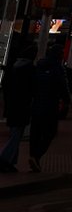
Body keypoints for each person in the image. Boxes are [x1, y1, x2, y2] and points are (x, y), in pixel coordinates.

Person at [27, 44, 71, 173]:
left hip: (37, 104)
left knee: (35, 133)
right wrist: (67, 100)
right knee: (50, 132)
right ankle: (36, 156)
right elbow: (63, 85)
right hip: (50, 105)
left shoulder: (39, 66)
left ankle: (33, 156)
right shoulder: (58, 68)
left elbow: (32, 85)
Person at [0, 41, 37, 174]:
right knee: (16, 136)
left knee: (15, 133)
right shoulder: (30, 69)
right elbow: (33, 89)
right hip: (22, 106)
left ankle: (10, 162)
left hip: (12, 105)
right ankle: (4, 159)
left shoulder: (15, 67)